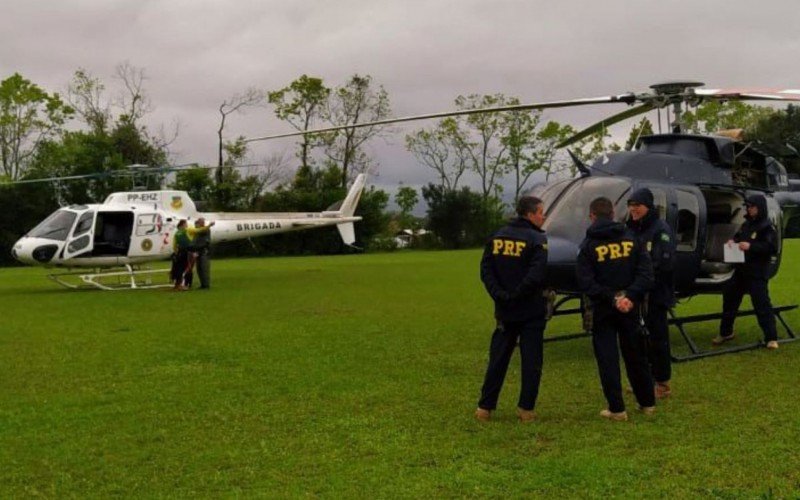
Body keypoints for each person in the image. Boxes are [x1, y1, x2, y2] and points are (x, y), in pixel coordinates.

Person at [577, 196, 655, 421]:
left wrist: (612, 298)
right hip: (630, 307)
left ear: (592, 216)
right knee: (636, 354)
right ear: (613, 214)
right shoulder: (632, 238)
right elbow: (646, 273)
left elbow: (586, 282)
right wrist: (629, 296)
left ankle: (617, 409)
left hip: (603, 309)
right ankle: (647, 402)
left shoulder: (588, 245)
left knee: (607, 358)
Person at [476, 196, 549, 423]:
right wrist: (517, 295)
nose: (543, 216)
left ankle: (484, 408)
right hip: (530, 310)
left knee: (498, 359)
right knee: (531, 361)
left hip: (504, 310)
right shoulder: (537, 239)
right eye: (540, 212)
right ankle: (526, 409)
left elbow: (485, 269)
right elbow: (536, 275)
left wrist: (500, 295)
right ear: (529, 214)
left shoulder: (497, 236)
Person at [626, 188, 676, 399]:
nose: (633, 209)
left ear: (648, 206)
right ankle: (645, 380)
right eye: (631, 205)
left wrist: (642, 279)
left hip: (655, 294)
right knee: (639, 339)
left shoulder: (660, 229)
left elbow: (663, 262)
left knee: (657, 338)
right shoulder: (630, 228)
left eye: (637, 205)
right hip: (637, 292)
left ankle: (662, 382)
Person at [714, 194, 780, 350]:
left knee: (761, 304)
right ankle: (725, 332)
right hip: (741, 270)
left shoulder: (767, 227)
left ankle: (771, 338)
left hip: (757, 272)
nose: (749, 209)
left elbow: (771, 248)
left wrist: (751, 246)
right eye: (747, 207)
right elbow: (738, 237)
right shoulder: (746, 224)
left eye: (751, 207)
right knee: (729, 300)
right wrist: (733, 242)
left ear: (760, 207)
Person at [190, 218, 215, 289]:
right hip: (198, 251)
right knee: (199, 269)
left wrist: (209, 225)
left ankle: (206, 285)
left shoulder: (205, 230)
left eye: (197, 223)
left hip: (204, 251)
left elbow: (203, 231)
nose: (196, 225)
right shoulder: (197, 232)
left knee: (204, 268)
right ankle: (203, 284)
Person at [171, 220, 192, 290]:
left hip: (179, 252)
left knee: (178, 268)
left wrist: (175, 252)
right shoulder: (186, 231)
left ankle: (177, 284)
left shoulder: (176, 233)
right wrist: (208, 226)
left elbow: (174, 244)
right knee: (186, 268)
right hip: (186, 252)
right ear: (182, 225)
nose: (187, 225)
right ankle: (183, 284)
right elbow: (198, 230)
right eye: (186, 224)